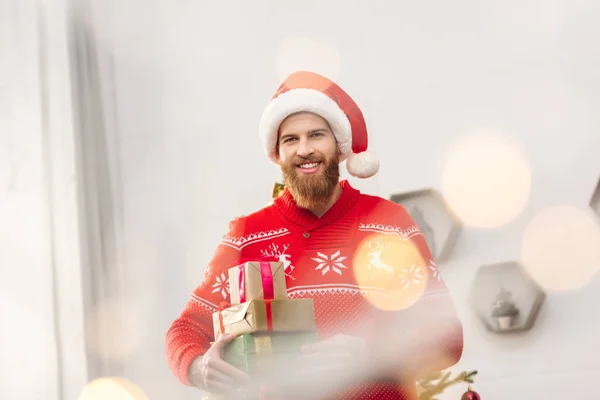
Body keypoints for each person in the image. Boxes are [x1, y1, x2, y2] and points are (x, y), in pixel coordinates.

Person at [165, 71, 464, 399]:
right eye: (290, 139)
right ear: (277, 154)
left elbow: (447, 338)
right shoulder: (246, 235)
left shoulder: (389, 222)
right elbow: (184, 330)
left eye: (316, 135)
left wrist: (370, 356)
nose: (304, 149)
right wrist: (198, 367)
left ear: (339, 146)